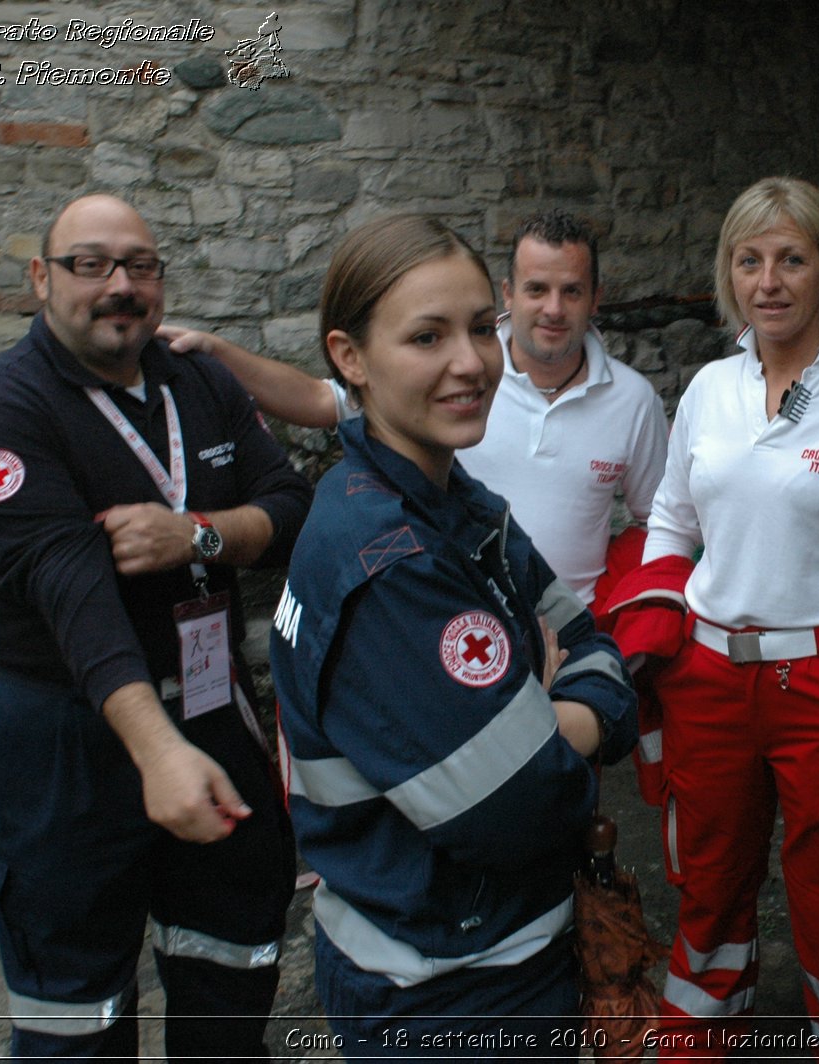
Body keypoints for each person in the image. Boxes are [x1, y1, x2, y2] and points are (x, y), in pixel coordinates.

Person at [0, 194, 309, 1059]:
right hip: (62, 737)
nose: (121, 286)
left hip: (208, 705)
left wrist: (202, 533)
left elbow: (290, 508)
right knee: (76, 1003)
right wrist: (157, 748)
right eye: (91, 264)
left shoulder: (200, 381)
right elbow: (71, 591)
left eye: (141, 266)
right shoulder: (1, 408)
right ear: (42, 279)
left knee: (231, 954)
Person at [268, 214, 638, 1054]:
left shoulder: (456, 501)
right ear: (349, 357)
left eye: (480, 327)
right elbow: (523, 807)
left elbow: (593, 641)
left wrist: (546, 713)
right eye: (427, 336)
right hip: (444, 989)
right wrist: (560, 715)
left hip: (497, 959)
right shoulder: (385, 560)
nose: (470, 362)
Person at [605, 176, 819, 1059]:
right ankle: (699, 1038)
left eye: (791, 259)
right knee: (708, 879)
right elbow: (674, 521)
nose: (769, 281)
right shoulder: (711, 388)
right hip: (710, 675)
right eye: (748, 261)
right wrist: (653, 624)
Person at [160, 209, 669, 607]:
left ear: (596, 298)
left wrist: (617, 618)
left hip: (554, 626)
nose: (553, 309)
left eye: (572, 291)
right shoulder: (374, 531)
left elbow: (658, 523)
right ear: (511, 294)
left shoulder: (632, 401)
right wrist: (221, 355)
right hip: (465, 627)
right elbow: (319, 398)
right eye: (537, 289)